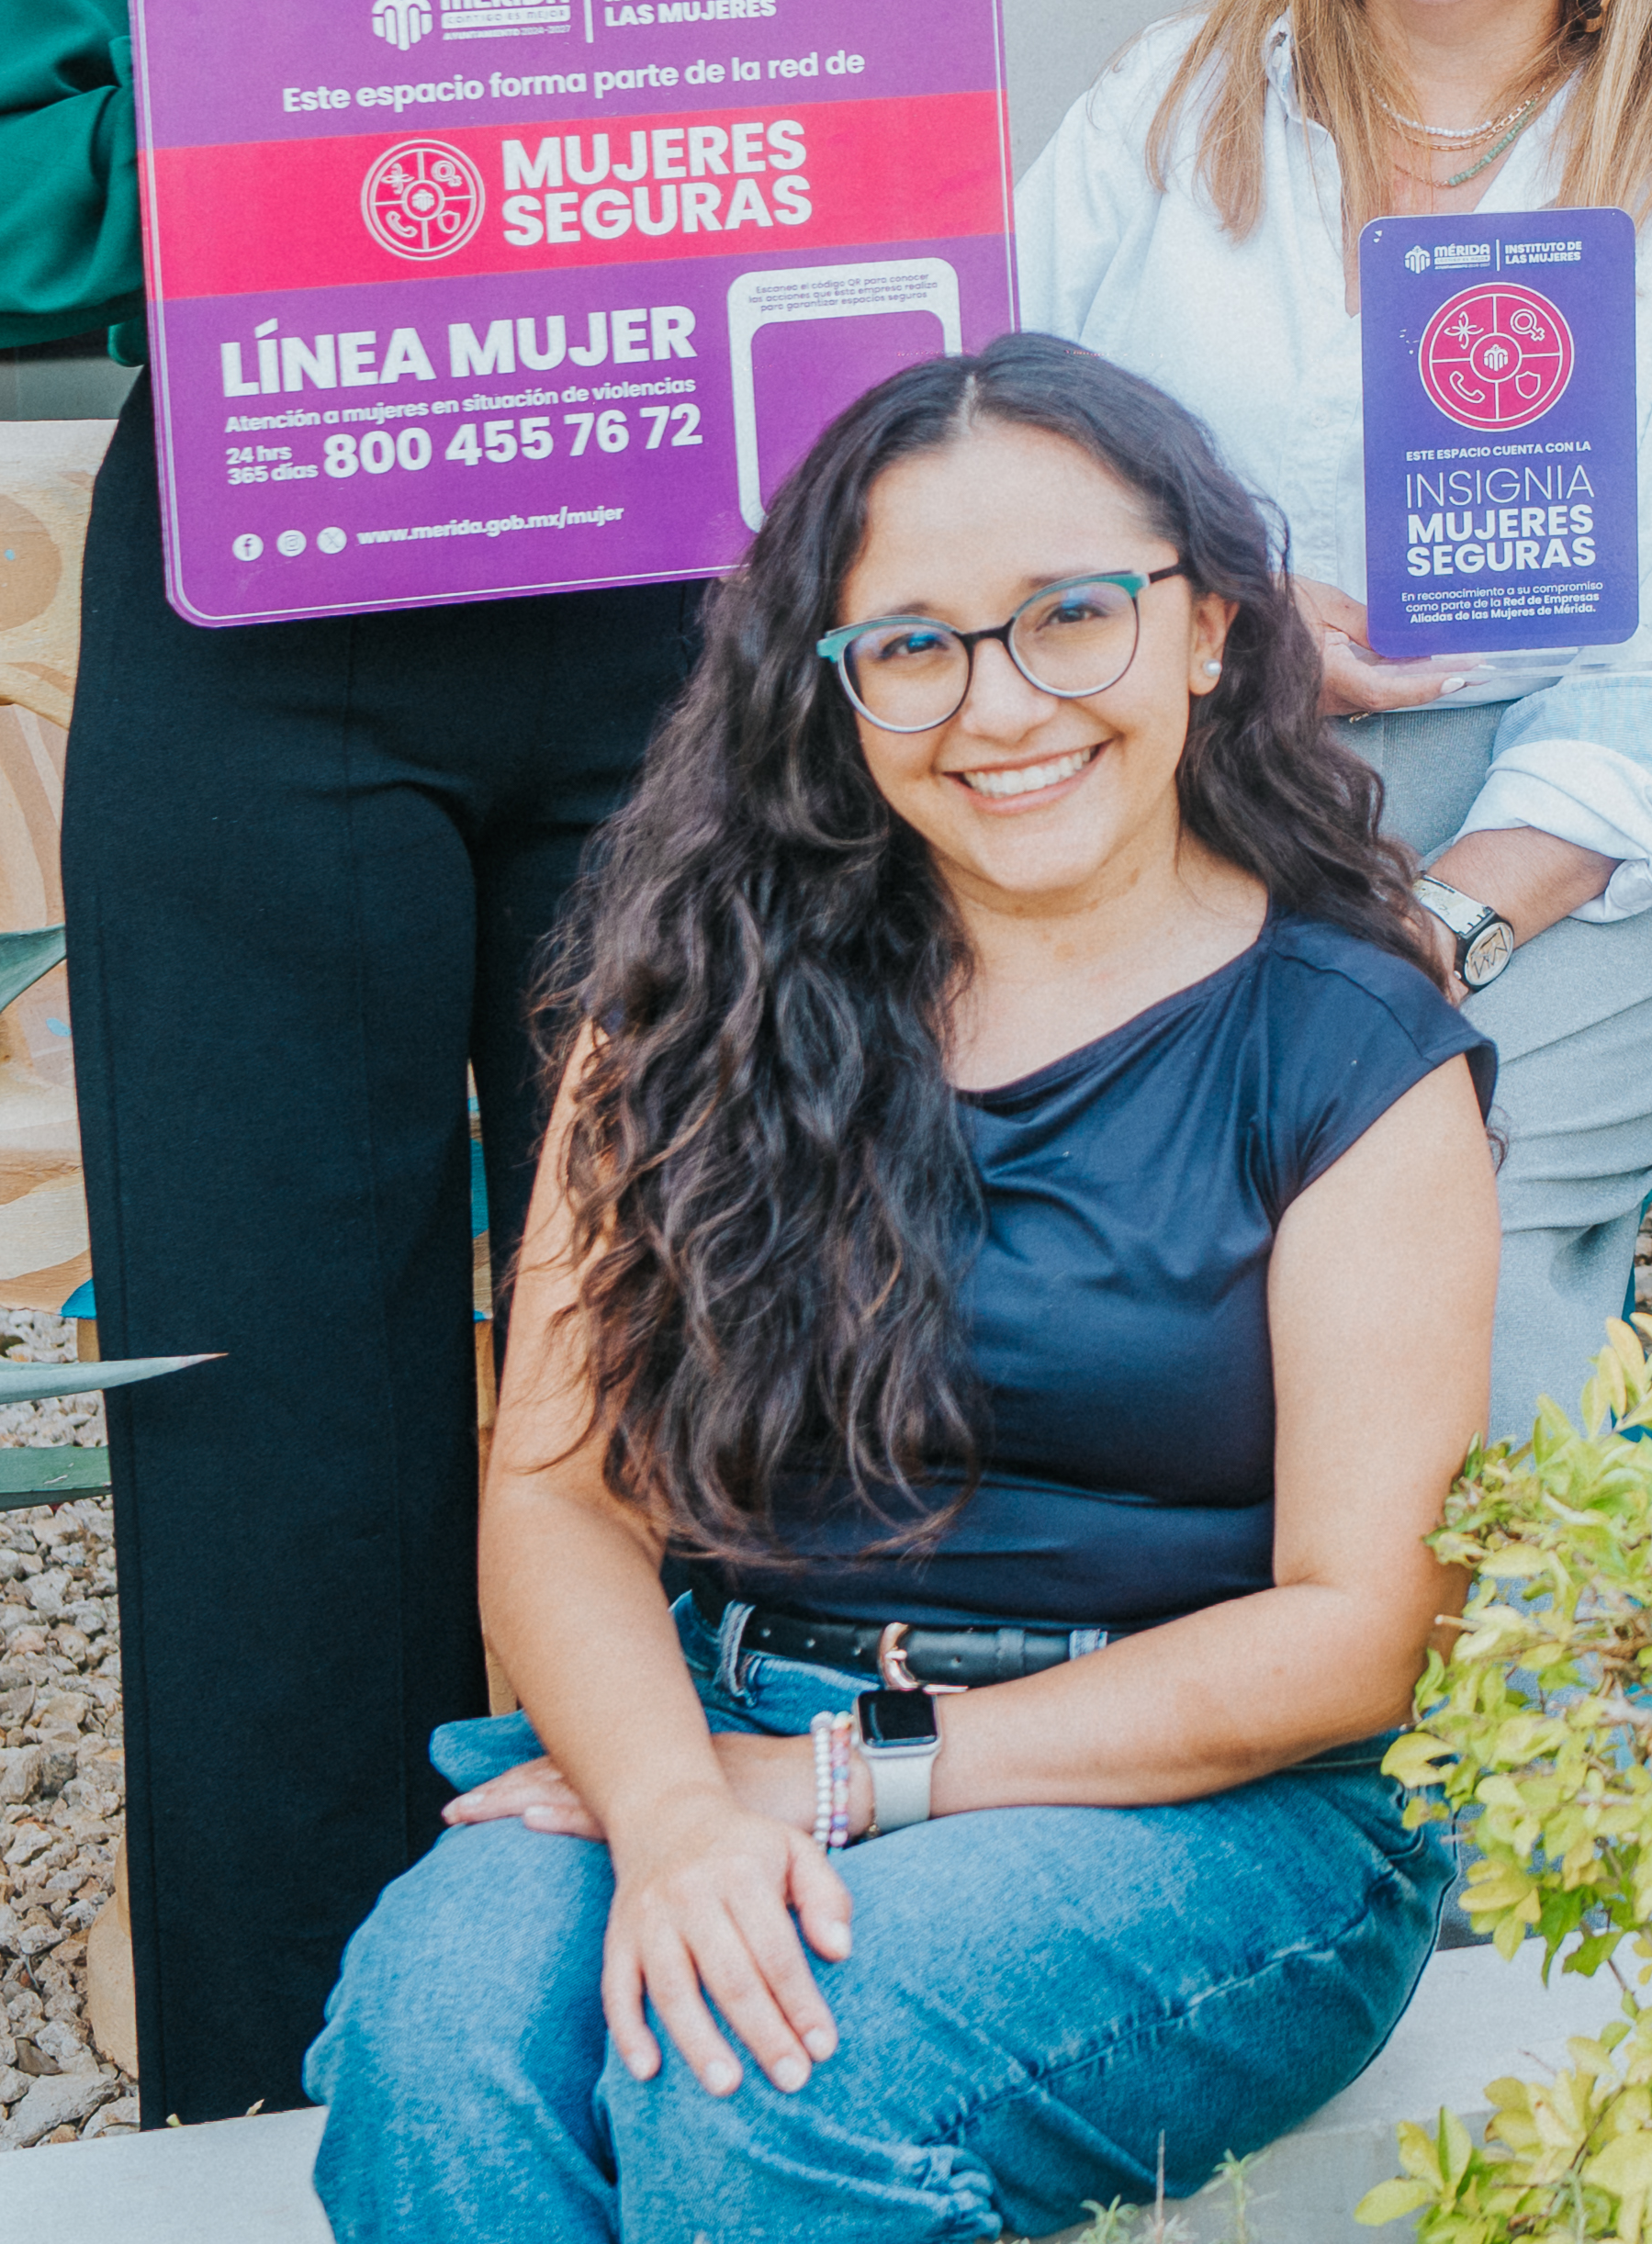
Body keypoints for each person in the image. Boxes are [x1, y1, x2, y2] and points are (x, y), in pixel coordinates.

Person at [0, 0, 831, 2119]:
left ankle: (700, 2013)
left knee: (689, 1343)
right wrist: (394, 60)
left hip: (653, 668)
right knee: (275, 1407)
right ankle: (284, 2098)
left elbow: (816, 171)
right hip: (268, 677)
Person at [306, 338, 1496, 2238]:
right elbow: (553, 1494)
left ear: (1205, 627)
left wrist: (844, 1785)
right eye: (915, 643)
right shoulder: (695, 996)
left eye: (1068, 617)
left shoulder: (1351, 1050)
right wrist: (685, 1802)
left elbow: (1361, 1628)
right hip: (719, 1709)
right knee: (436, 2050)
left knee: (764, 2071)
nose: (998, 700)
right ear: (838, 687)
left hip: (1201, 1798)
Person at [1017, 0, 1652, 1430]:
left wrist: (1437, 926)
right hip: (1179, 801)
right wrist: (1201, 609)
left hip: (1576, 859)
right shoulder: (1165, 106)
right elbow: (985, 481)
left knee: (1428, 1173)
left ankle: (1509, 1693)